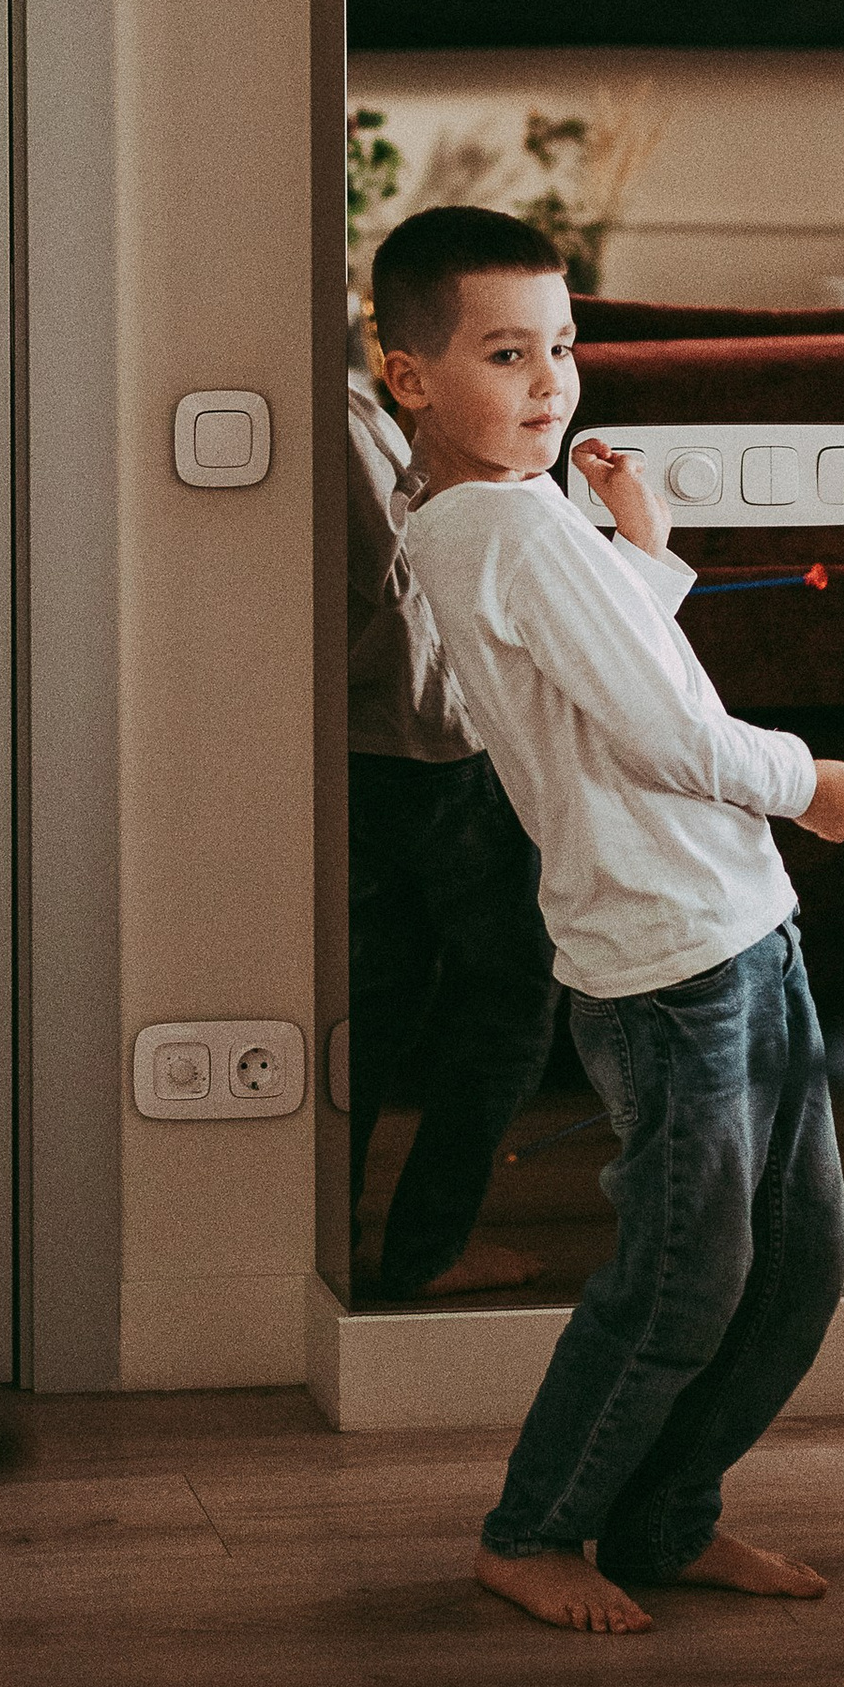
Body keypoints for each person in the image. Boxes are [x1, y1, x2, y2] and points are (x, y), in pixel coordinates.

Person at [373, 204, 844, 1635]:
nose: (549, 382)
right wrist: (813, 782)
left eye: (563, 346)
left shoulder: (504, 516)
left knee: (799, 1262)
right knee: (690, 1275)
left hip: (735, 928)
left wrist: (644, 548)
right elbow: (671, 732)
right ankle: (533, 1530)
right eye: (504, 353)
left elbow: (601, 669)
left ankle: (667, 1519)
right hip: (671, 960)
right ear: (409, 373)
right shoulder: (503, 525)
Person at [346, 368, 551, 1299]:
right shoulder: (350, 416)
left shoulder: (350, 407)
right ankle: (427, 1248)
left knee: (375, 995)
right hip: (431, 742)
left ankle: (328, 1231)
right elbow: (400, 604)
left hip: (367, 748)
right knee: (509, 995)